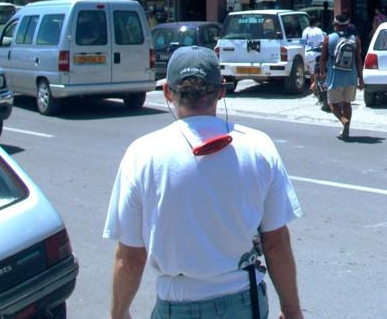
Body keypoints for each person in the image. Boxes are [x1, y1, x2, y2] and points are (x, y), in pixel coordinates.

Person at [104, 46, 304, 319]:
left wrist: (118, 313)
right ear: (221, 91)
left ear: (167, 92)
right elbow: (276, 242)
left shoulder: (141, 154)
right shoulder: (259, 147)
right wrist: (292, 311)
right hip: (245, 303)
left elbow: (130, 258)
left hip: (176, 305)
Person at [320, 13, 363, 140]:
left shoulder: (329, 38)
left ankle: (344, 121)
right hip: (351, 76)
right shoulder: (355, 39)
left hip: (335, 76)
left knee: (332, 103)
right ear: (347, 25)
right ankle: (346, 130)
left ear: (335, 25)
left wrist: (322, 72)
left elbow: (323, 59)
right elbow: (358, 60)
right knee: (347, 103)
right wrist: (361, 78)